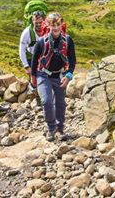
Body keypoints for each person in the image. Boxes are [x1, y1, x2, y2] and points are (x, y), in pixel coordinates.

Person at [31, 12, 76, 142]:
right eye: (53, 25)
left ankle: (60, 128)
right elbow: (34, 60)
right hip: (43, 74)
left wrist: (69, 75)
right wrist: (33, 77)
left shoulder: (67, 40)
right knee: (46, 101)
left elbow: (72, 60)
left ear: (61, 25)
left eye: (58, 25)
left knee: (61, 103)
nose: (56, 28)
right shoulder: (42, 42)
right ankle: (51, 128)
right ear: (48, 26)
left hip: (61, 75)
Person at [19, 8, 46, 76]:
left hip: (46, 58)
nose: (39, 25)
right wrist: (26, 66)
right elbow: (21, 49)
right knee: (34, 81)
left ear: (44, 21)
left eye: (40, 22)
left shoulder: (48, 30)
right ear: (32, 21)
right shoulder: (26, 32)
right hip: (32, 59)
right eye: (36, 23)